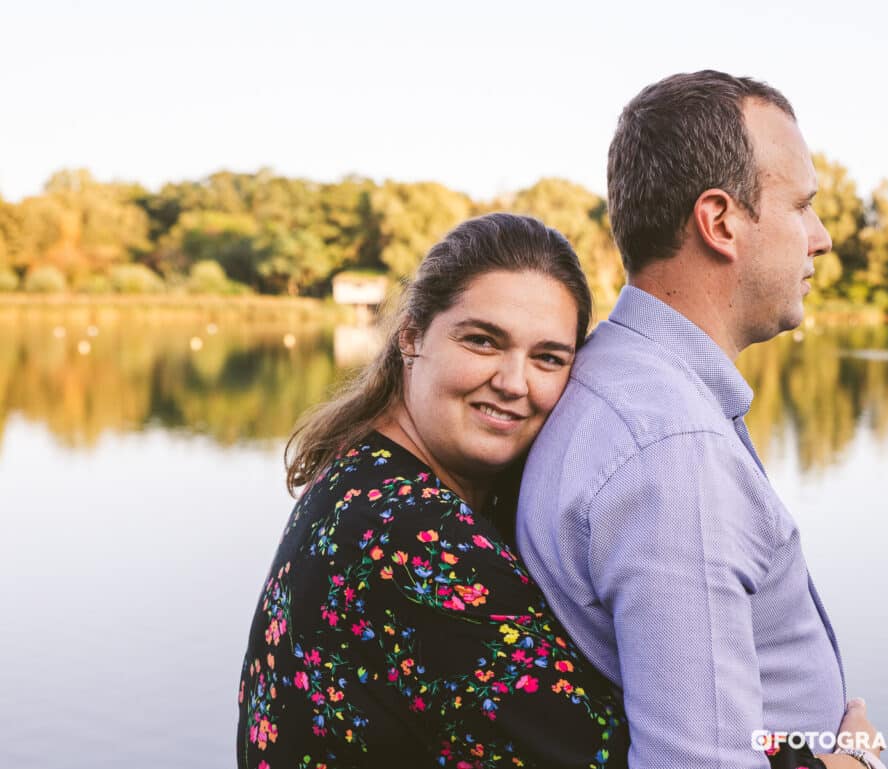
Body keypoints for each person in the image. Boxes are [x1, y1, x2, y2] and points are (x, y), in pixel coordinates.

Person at [516, 71, 887, 769]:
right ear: (719, 222)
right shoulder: (670, 450)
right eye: (802, 206)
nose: (823, 237)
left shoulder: (626, 383)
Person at [236, 213, 631, 768]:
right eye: (482, 341)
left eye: (548, 358)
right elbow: (614, 757)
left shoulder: (364, 475)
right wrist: (795, 745)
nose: (515, 383)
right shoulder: (415, 542)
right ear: (411, 336)